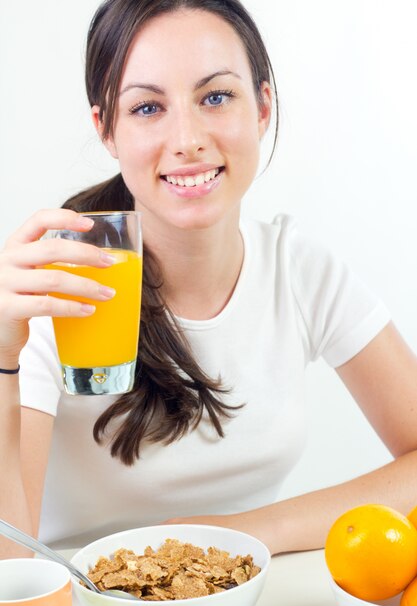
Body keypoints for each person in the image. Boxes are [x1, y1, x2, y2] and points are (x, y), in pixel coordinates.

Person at [1, 0, 417, 558]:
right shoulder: (59, 287)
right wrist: (3, 361)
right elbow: (10, 570)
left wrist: (239, 533)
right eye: (147, 107)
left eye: (215, 97)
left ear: (263, 106)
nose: (188, 138)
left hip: (252, 598)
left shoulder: (298, 269)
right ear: (105, 129)